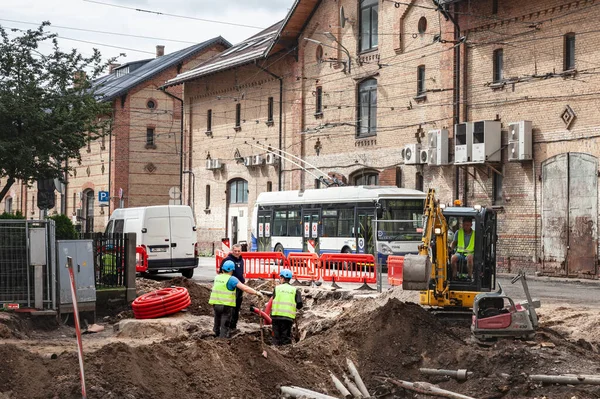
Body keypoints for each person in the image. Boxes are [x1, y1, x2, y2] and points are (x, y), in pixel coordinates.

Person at [209, 260, 263, 338]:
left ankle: (214, 338)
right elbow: (244, 288)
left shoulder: (217, 277)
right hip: (226, 306)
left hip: (216, 304)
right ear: (232, 270)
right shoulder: (231, 279)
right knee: (224, 325)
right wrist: (256, 293)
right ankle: (222, 341)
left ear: (223, 269)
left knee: (217, 322)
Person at [270, 269, 303, 346]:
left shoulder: (276, 288)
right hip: (287, 318)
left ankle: (274, 352)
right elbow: (300, 305)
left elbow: (273, 299)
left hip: (276, 316)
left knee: (276, 337)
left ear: (282, 278)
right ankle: (285, 353)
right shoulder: (295, 290)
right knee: (285, 337)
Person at [220, 244, 245, 332]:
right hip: (231, 287)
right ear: (232, 251)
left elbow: (241, 272)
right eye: (235, 251)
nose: (237, 253)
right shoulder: (227, 260)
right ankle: (227, 326)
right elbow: (221, 273)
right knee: (230, 308)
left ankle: (234, 325)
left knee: (237, 307)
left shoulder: (241, 260)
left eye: (239, 251)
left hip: (240, 287)